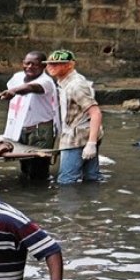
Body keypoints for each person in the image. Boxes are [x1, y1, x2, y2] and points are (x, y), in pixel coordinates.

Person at [42, 50, 104, 185]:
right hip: (84, 133)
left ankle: (68, 205)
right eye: (49, 64)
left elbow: (96, 113)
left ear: (69, 65)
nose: (51, 67)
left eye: (57, 64)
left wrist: (91, 144)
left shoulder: (75, 85)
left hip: (77, 138)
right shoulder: (64, 82)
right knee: (91, 177)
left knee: (66, 181)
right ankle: (91, 203)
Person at [0, 51, 60, 181]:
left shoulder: (46, 81)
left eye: (35, 64)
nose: (30, 67)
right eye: (27, 63)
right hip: (20, 127)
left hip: (40, 131)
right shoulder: (17, 77)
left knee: (39, 168)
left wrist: (13, 91)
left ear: (44, 66)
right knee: (24, 165)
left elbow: (31, 87)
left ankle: (40, 195)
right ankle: (25, 191)